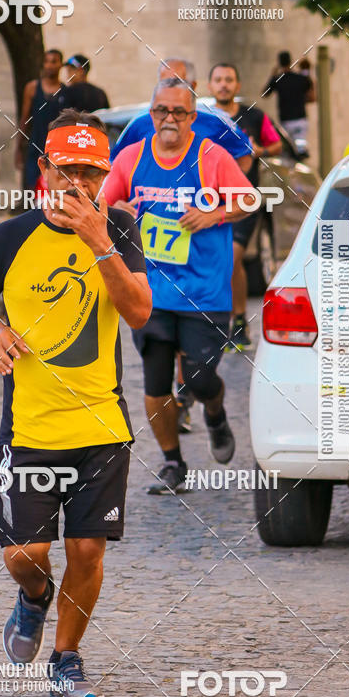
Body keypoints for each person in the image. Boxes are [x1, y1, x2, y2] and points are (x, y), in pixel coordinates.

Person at [0, 109, 151, 697]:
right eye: (66, 169)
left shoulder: (119, 230)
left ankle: (66, 660)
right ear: (44, 169)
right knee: (25, 554)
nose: (79, 182)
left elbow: (139, 311)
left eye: (91, 172)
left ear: (105, 176)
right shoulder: (10, 237)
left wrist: (100, 242)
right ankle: (34, 597)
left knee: (87, 549)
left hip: (100, 421)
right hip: (31, 425)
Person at [102, 77, 255, 494]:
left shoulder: (212, 156)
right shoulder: (132, 157)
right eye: (162, 111)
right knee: (155, 381)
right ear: (151, 115)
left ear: (192, 117)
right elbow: (102, 203)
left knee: (199, 379)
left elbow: (249, 199)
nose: (169, 119)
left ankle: (215, 413)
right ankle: (173, 462)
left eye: (179, 112)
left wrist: (214, 214)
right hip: (149, 288)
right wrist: (119, 209)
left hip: (204, 290)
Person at [209, 63, 282, 351]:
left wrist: (260, 150)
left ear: (237, 86)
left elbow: (276, 145)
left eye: (229, 79)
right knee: (221, 261)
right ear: (210, 85)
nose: (224, 84)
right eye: (218, 80)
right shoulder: (204, 119)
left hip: (244, 201)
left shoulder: (254, 116)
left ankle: (237, 322)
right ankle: (229, 321)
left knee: (230, 257)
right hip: (210, 201)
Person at [111, 57, 253, 174]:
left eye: (178, 84)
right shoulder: (140, 122)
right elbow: (113, 164)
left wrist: (218, 199)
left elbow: (243, 156)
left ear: (194, 85)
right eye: (165, 83)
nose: (170, 91)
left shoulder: (216, 120)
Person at [16, 49, 67, 190]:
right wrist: (19, 149)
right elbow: (25, 120)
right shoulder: (32, 88)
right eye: (47, 62)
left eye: (54, 61)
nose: (50, 65)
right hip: (36, 148)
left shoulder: (65, 91)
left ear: (60, 64)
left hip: (57, 151)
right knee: (33, 192)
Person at [263, 51, 315, 144]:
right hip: (300, 119)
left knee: (289, 153)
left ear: (279, 63)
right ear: (291, 62)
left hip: (285, 121)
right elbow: (312, 97)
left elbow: (265, 94)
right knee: (300, 149)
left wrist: (272, 76)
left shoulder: (278, 79)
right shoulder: (300, 78)